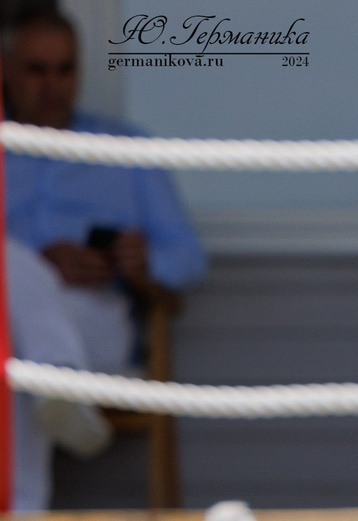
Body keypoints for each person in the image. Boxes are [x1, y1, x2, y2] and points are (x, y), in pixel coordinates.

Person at [1, 10, 208, 376]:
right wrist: (40, 262)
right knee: (10, 261)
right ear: (6, 70)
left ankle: (58, 383)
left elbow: (188, 256)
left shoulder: (125, 149)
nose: (52, 85)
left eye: (65, 70)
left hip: (94, 313)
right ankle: (60, 394)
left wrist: (141, 263)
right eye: (37, 70)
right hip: (8, 316)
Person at [6, 235, 113, 511]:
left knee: (12, 265)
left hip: (90, 314)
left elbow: (183, 263)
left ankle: (57, 381)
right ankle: (60, 376)